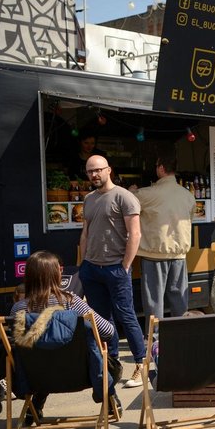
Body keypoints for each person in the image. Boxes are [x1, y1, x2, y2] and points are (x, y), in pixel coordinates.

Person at [10, 250, 120, 421]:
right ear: (56, 275)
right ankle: (110, 398)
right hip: (79, 375)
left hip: (36, 378)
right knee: (110, 362)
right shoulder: (71, 302)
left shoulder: (18, 310)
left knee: (43, 354)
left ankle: (35, 405)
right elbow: (108, 331)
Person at [78, 155, 145, 387]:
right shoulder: (88, 199)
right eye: (89, 171)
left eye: (98, 170)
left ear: (109, 170)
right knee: (102, 320)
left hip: (116, 267)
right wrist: (82, 264)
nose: (94, 175)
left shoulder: (124, 197)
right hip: (91, 269)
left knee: (126, 315)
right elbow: (85, 233)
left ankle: (141, 364)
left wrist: (125, 265)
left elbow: (135, 234)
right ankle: (112, 363)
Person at [132, 155, 196, 332]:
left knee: (154, 300)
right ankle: (180, 335)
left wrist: (130, 190)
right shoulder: (188, 196)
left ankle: (155, 339)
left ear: (160, 168)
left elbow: (125, 204)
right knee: (179, 298)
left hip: (154, 254)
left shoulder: (147, 194)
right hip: (179, 254)